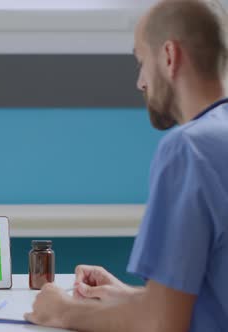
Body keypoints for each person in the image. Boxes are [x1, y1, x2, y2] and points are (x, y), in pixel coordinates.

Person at [26, 0, 228, 331]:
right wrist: (129, 297)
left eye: (141, 62)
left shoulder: (188, 149)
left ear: (168, 56)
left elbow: (162, 323)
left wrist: (61, 310)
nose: (140, 83)